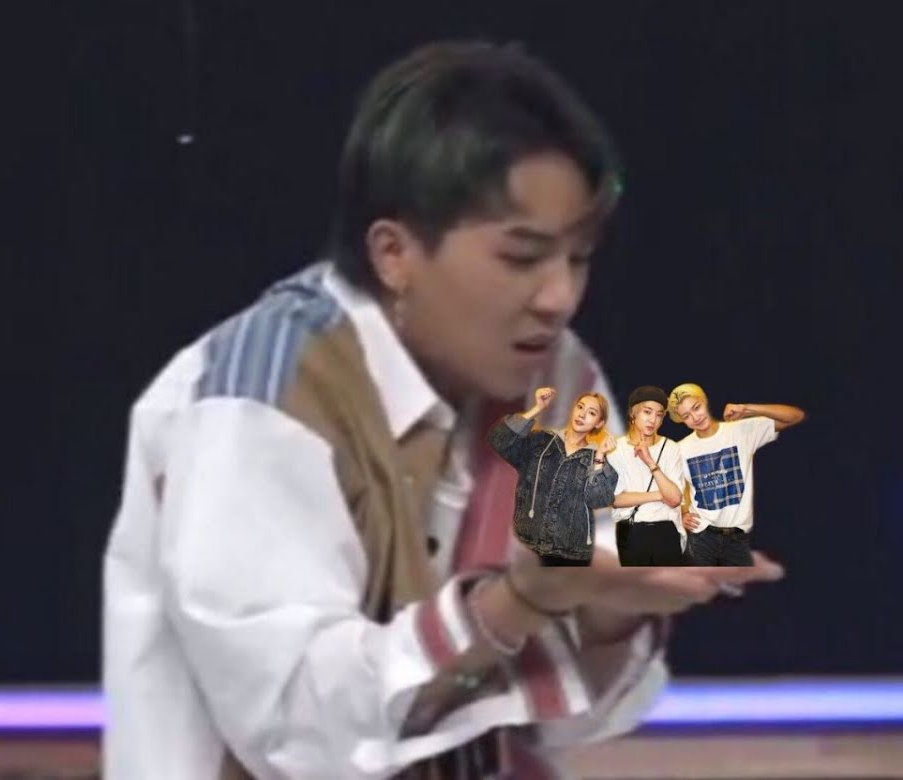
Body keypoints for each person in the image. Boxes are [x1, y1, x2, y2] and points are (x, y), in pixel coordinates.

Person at [103, 41, 786, 780]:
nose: (559, 296)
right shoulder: (261, 399)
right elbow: (300, 733)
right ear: (394, 253)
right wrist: (515, 603)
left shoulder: (559, 380)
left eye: (579, 256)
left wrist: (611, 610)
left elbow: (564, 725)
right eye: (522, 257)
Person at [668, 382, 806, 566]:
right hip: (701, 538)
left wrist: (747, 409)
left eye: (696, 407)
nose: (695, 417)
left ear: (705, 401)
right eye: (686, 416)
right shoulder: (680, 449)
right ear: (681, 420)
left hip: (738, 538)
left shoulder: (741, 431)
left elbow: (795, 416)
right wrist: (683, 513)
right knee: (700, 584)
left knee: (741, 583)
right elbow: (675, 489)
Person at [487, 386, 618, 566]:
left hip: (570, 555)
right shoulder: (541, 442)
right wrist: (537, 408)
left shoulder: (598, 461)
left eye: (591, 413)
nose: (582, 414)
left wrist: (600, 456)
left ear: (599, 423)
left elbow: (599, 498)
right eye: (580, 407)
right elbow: (500, 440)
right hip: (525, 546)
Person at [607, 386, 687, 566]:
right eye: (647, 412)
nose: (653, 420)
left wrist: (650, 462)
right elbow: (615, 499)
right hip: (632, 531)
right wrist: (659, 495)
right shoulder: (616, 450)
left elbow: (674, 499)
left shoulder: (671, 448)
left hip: (666, 531)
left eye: (659, 415)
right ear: (633, 413)